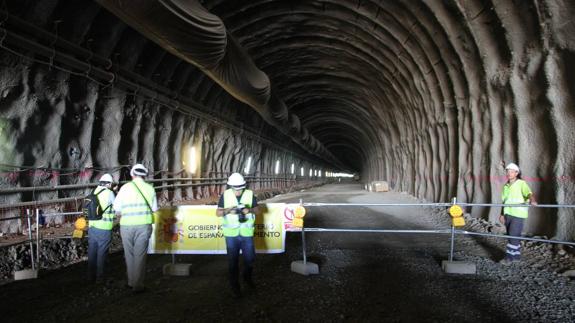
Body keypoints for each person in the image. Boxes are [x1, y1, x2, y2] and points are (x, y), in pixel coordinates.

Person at [113, 164, 158, 293]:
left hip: (126, 226)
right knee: (140, 255)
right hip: (143, 225)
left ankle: (131, 281)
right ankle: (138, 285)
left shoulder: (125, 188)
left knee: (129, 254)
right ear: (144, 175)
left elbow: (117, 209)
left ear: (132, 175)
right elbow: (155, 209)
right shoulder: (150, 189)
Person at [216, 172, 259, 298]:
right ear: (230, 187)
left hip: (246, 233)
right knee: (232, 262)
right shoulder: (225, 195)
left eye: (240, 189)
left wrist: (249, 210)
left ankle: (247, 276)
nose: (238, 191)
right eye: (235, 189)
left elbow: (258, 210)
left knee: (250, 259)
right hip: (231, 235)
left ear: (244, 186)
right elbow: (218, 213)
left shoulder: (250, 194)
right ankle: (235, 286)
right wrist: (229, 210)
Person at [499, 163, 537, 265]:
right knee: (512, 236)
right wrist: (502, 214)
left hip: (518, 214)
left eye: (512, 171)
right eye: (507, 171)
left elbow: (529, 193)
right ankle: (516, 256)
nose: (509, 173)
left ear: (516, 173)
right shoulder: (506, 186)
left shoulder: (521, 183)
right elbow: (504, 201)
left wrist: (532, 200)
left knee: (513, 236)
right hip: (508, 213)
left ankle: (509, 258)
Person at [87, 173, 116, 283]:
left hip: (92, 227)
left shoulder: (93, 191)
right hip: (104, 228)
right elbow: (117, 207)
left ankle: (90, 277)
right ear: (109, 184)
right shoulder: (109, 193)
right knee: (102, 253)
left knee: (92, 252)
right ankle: (100, 277)